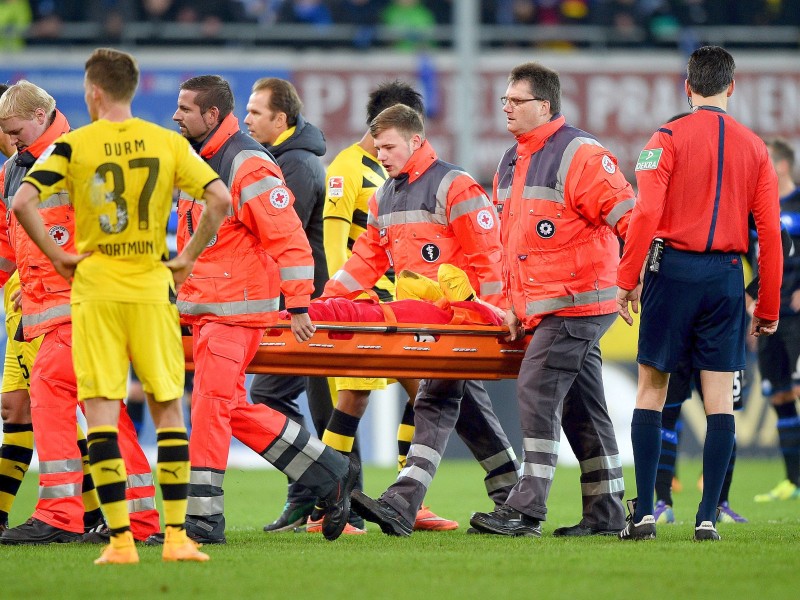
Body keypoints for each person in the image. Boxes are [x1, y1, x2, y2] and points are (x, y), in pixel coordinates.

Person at [9, 48, 232, 565]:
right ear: (134, 89)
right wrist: (186, 258)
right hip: (152, 290)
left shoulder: (74, 146)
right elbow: (219, 199)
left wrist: (59, 257)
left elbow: (23, 203)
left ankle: (112, 538)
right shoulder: (166, 142)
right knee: (167, 410)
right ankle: (172, 535)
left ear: (93, 92)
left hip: (96, 294)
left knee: (100, 409)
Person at [164, 74, 359, 545]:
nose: (176, 116)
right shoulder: (203, 159)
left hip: (236, 311)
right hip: (208, 308)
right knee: (228, 407)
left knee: (212, 407)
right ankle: (329, 471)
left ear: (211, 115)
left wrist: (297, 306)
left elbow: (290, 241)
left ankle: (204, 521)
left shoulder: (246, 163)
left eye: (185, 109)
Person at [616, 45, 783, 542]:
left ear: (686, 87)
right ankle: (707, 517)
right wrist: (768, 304)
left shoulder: (664, 138)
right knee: (720, 402)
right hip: (727, 277)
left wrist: (627, 278)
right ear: (732, 86)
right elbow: (769, 233)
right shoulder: (756, 148)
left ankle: (644, 513)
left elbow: (645, 214)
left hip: (673, 272)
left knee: (653, 388)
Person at [333, 104, 521, 537]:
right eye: (377, 147)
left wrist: (495, 316)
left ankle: (402, 503)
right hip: (425, 324)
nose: (381, 155)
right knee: (467, 410)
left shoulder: (454, 185)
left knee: (433, 402)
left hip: (462, 321)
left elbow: (488, 257)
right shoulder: (385, 195)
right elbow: (365, 261)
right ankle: (513, 497)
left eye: (389, 146)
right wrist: (326, 301)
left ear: (416, 141)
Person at [469, 61, 632, 538]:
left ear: (544, 105)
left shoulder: (581, 154)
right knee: (584, 407)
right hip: (548, 306)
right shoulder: (512, 158)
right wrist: (514, 307)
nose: (506, 108)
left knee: (536, 389)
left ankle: (525, 509)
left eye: (516, 101)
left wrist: (633, 277)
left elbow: (630, 217)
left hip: (579, 300)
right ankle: (606, 514)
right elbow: (510, 245)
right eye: (504, 100)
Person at [0, 79, 160, 545]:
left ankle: (60, 514)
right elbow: (9, 247)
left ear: (39, 116)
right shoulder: (16, 169)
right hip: (50, 310)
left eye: (15, 130)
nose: (11, 140)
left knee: (52, 391)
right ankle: (140, 521)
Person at [317, 79, 457, 534]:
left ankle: (408, 498)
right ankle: (324, 506)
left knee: (422, 391)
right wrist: (346, 298)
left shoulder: (392, 173)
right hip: (364, 306)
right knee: (355, 396)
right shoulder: (346, 168)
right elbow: (337, 244)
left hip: (397, 304)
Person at [243, 76, 353, 532]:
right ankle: (315, 491)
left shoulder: (296, 167)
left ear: (280, 119)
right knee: (318, 402)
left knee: (279, 396)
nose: (246, 120)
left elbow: (282, 241)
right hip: (303, 302)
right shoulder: (285, 161)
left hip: (307, 306)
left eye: (254, 112)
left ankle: (324, 487)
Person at [753, 137, 800, 502]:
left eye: (766, 160)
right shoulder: (755, 208)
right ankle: (793, 480)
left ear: (781, 165)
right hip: (769, 313)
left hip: (798, 315)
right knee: (780, 394)